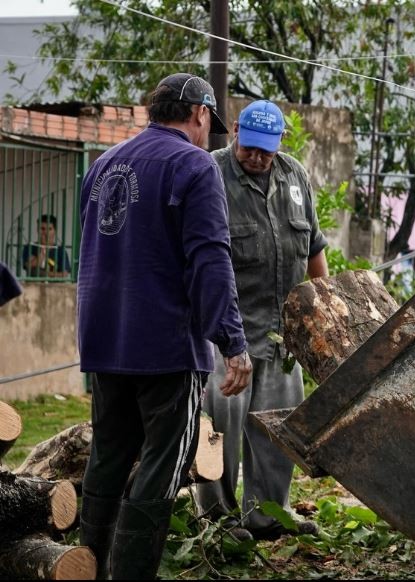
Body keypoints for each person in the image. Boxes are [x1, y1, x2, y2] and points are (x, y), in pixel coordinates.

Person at [76, 73, 252, 580]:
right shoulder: (194, 165)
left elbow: (98, 250)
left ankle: (85, 566)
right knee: (163, 464)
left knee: (107, 456)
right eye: (208, 124)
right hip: (166, 344)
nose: (207, 134)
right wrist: (232, 342)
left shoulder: (102, 164)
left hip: (106, 340)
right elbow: (211, 259)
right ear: (198, 114)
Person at [194, 100, 328, 541]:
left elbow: (313, 249)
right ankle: (216, 520)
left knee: (279, 432)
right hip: (226, 336)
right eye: (248, 147)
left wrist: (321, 311)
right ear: (234, 130)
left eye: (265, 151)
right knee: (218, 436)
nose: (256, 157)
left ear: (280, 144)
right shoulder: (210, 174)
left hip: (280, 337)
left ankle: (269, 514)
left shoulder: (295, 176)